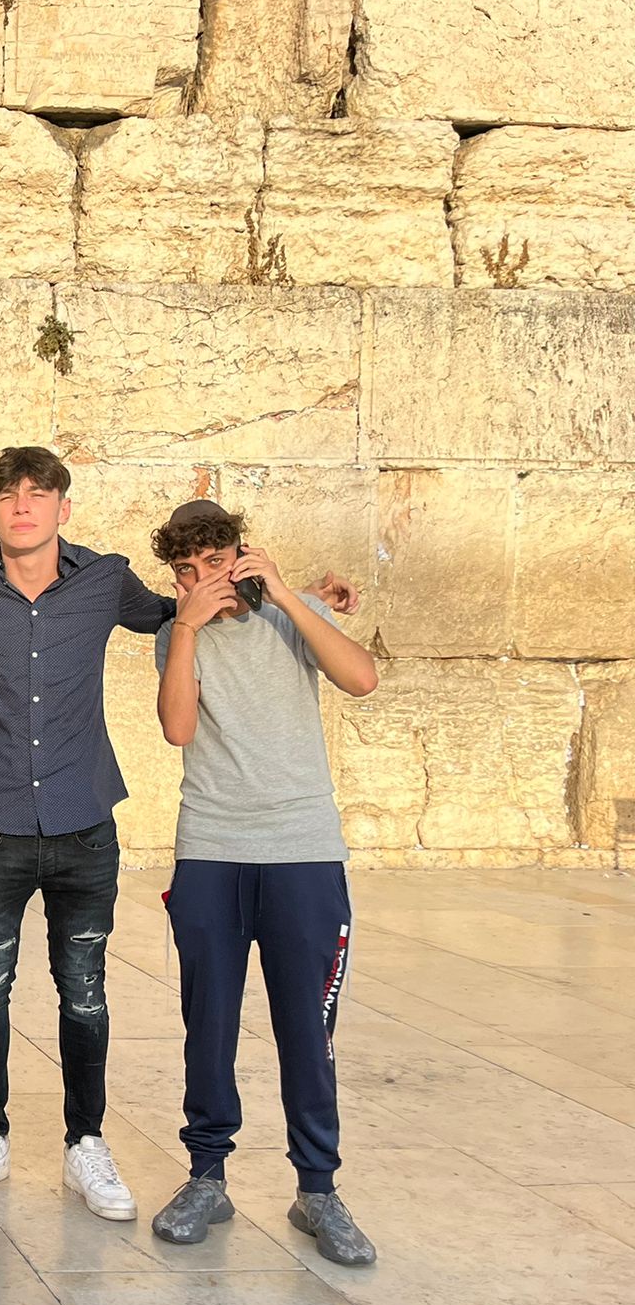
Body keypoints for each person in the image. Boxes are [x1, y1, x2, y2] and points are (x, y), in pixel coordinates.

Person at [0, 446, 354, 1221]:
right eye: (7, 496)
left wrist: (303, 596)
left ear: (63, 507)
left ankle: (87, 1142)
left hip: (84, 820)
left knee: (85, 992)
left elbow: (190, 604)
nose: (22, 506)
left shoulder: (105, 579)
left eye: (38, 493)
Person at [147, 499, 379, 1266]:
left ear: (241, 555)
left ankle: (319, 1190)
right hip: (212, 848)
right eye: (187, 571)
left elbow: (362, 678)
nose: (203, 580)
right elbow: (178, 728)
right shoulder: (176, 634)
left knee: (307, 1029)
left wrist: (286, 592)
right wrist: (185, 627)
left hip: (302, 850)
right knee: (208, 1023)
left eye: (215, 563)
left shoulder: (292, 613)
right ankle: (206, 1178)